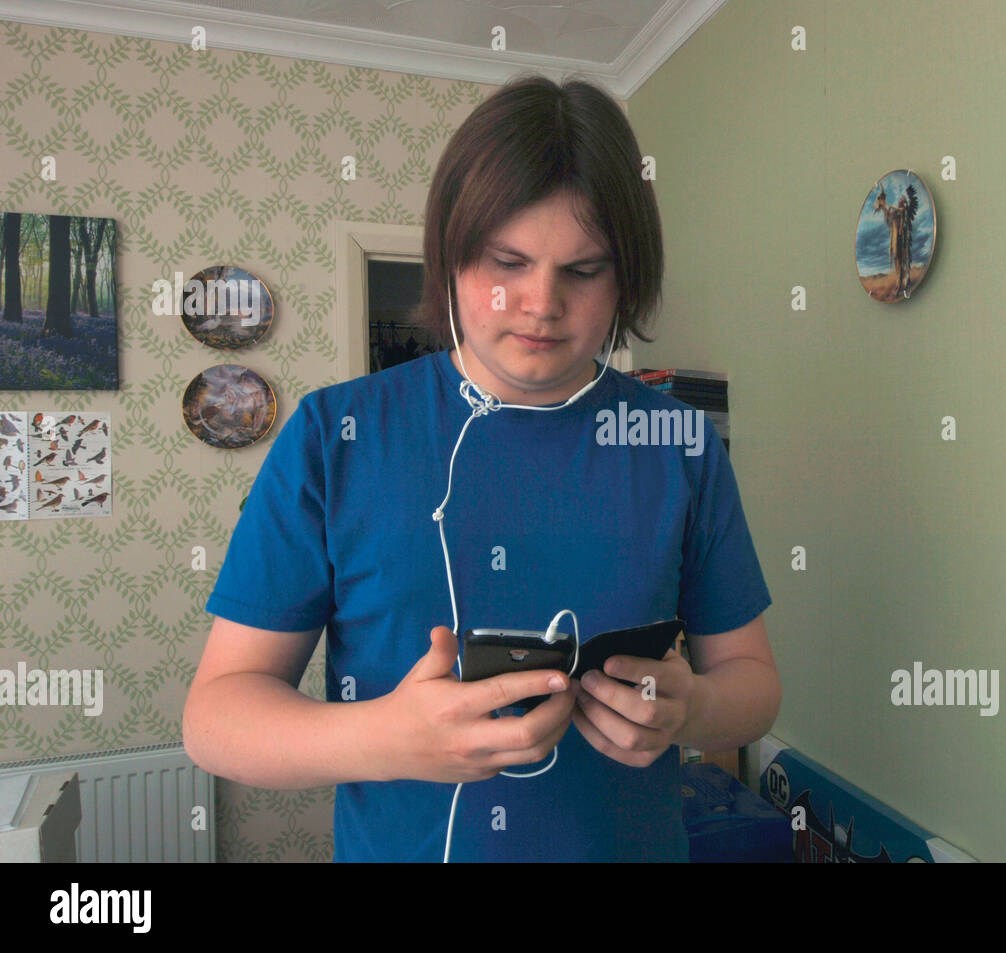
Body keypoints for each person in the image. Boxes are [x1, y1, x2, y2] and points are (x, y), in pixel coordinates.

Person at [183, 73, 780, 862]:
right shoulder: (334, 435)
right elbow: (216, 717)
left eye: (584, 269)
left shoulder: (678, 443)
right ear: (451, 256)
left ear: (624, 274)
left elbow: (752, 684)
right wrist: (383, 738)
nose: (539, 303)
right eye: (509, 261)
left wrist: (693, 706)